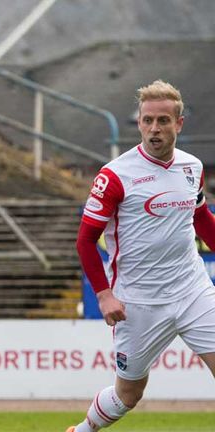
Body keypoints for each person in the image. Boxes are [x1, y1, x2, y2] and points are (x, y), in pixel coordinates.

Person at [68, 80, 215, 432]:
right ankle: (83, 430)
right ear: (139, 123)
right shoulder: (115, 176)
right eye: (147, 120)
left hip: (192, 290)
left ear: (179, 123)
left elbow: (201, 219)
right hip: (138, 301)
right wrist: (104, 295)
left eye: (163, 120)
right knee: (128, 395)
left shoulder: (192, 167)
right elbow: (85, 241)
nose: (154, 128)